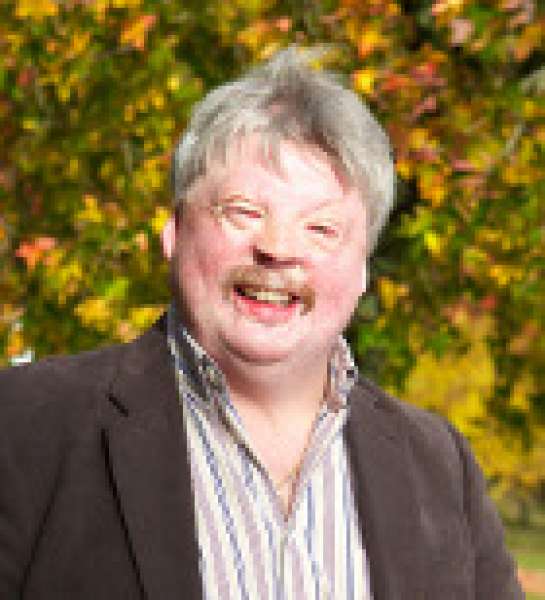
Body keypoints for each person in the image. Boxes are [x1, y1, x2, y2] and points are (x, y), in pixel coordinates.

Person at [0, 47, 522, 599]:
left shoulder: (438, 465)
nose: (278, 248)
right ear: (175, 233)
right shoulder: (26, 427)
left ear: (363, 268)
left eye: (321, 229)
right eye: (244, 212)